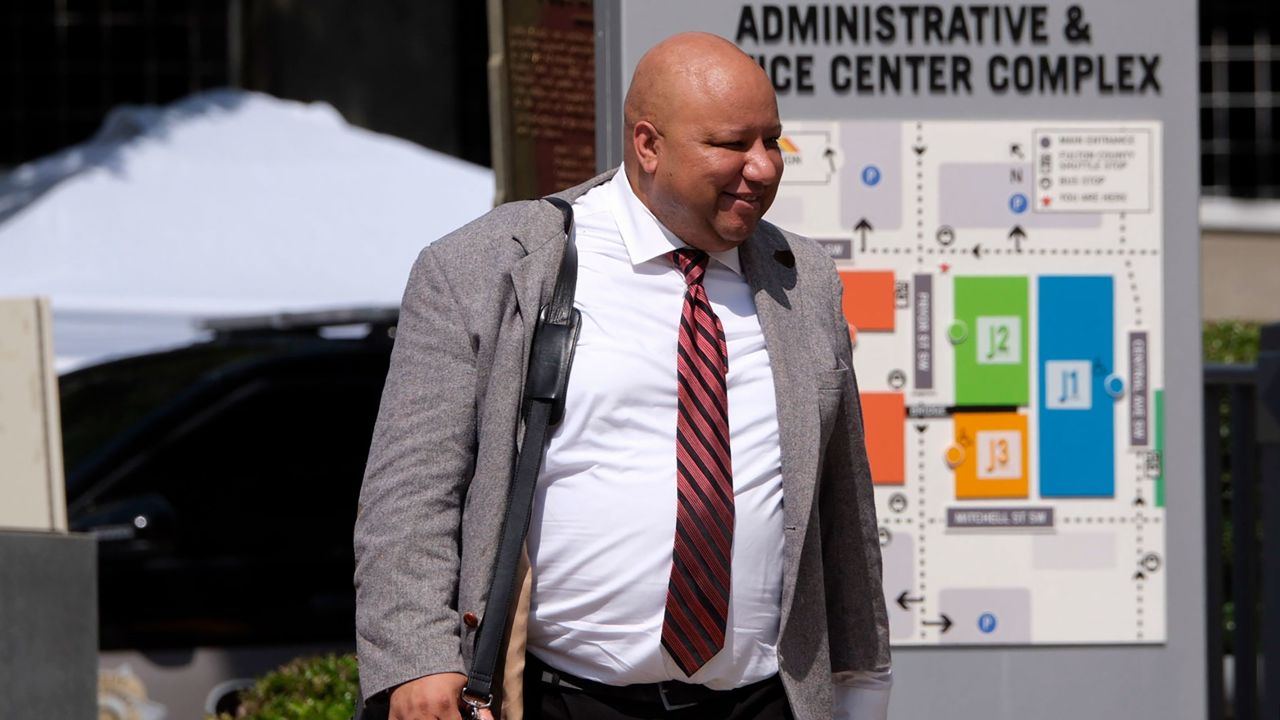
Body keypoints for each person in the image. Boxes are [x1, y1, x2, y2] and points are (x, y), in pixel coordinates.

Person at [354, 32, 891, 720]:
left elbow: (842, 505)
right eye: (732, 144)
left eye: (772, 141)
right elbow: (409, 491)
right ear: (648, 145)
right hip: (571, 700)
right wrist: (418, 659)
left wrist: (862, 684)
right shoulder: (488, 266)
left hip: (763, 701)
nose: (763, 168)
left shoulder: (802, 278)